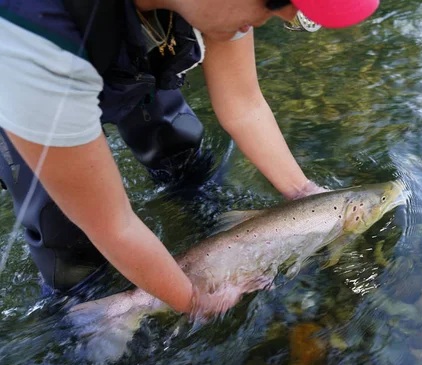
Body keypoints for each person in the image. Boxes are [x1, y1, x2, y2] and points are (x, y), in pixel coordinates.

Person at [0, 0, 379, 319]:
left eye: (299, 17)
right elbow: (113, 225)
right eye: (278, 2)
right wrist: (192, 299)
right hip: (32, 99)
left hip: (134, 62)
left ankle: (195, 222)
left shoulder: (221, 9)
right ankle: (81, 322)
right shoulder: (36, 43)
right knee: (67, 240)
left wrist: (304, 192)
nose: (276, 19)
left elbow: (244, 107)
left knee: (178, 142)